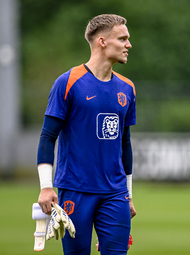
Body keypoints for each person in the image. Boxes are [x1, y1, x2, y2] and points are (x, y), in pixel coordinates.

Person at [37, 14, 136, 254]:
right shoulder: (68, 82)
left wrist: (129, 194)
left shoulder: (127, 87)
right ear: (102, 41)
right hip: (75, 190)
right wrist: (46, 187)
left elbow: (125, 144)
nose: (128, 45)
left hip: (115, 193)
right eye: (122, 39)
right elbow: (48, 137)